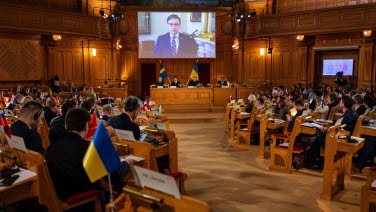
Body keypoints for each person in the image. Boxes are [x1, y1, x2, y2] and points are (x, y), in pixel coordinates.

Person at [46, 108, 134, 202]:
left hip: (60, 196)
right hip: (85, 201)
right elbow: (114, 177)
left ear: (66, 126)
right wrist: (126, 163)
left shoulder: (51, 148)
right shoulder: (88, 148)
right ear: (86, 126)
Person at [310, 96, 358, 169]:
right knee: (320, 136)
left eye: (340, 102)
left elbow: (341, 129)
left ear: (343, 105)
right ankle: (318, 160)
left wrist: (327, 130)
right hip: (343, 135)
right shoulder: (352, 113)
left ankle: (316, 162)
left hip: (340, 138)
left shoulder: (347, 116)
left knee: (316, 140)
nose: (339, 103)